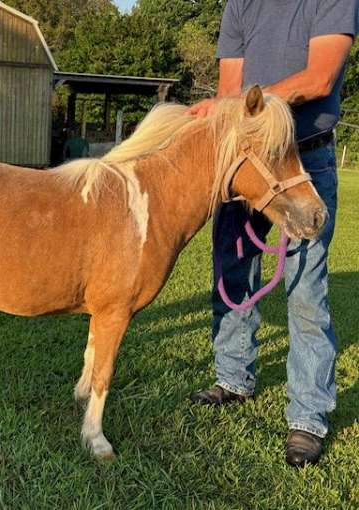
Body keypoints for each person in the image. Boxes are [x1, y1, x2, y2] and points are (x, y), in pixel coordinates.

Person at [187, 0, 358, 467]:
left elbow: (320, 78)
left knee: (305, 292)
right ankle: (233, 378)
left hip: (303, 159)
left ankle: (307, 417)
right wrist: (227, 113)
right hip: (246, 162)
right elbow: (228, 88)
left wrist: (247, 107)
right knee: (233, 273)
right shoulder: (241, 4)